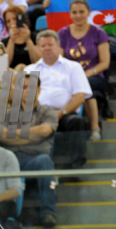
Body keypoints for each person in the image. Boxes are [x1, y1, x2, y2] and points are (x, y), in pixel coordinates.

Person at [0, 73, 59, 227]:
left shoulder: (48, 112)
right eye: (23, 88)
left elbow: (45, 131)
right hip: (10, 158)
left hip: (35, 158)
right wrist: (32, 133)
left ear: (38, 90)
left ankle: (48, 213)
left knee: (45, 161)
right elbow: (1, 135)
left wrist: (14, 135)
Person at [25, 30, 92, 169]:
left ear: (59, 46)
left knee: (77, 122)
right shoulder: (29, 70)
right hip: (38, 115)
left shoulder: (73, 67)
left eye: (50, 44)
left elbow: (80, 96)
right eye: (43, 46)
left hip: (64, 114)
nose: (47, 48)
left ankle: (77, 166)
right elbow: (23, 98)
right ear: (37, 48)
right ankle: (31, 165)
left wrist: (62, 112)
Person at [58, 0, 110, 140]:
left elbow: (105, 63)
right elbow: (60, 60)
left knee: (85, 86)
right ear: (70, 14)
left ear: (89, 13)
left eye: (82, 12)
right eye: (74, 12)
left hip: (94, 75)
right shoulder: (62, 33)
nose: (78, 15)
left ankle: (95, 128)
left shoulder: (99, 33)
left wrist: (86, 73)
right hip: (69, 76)